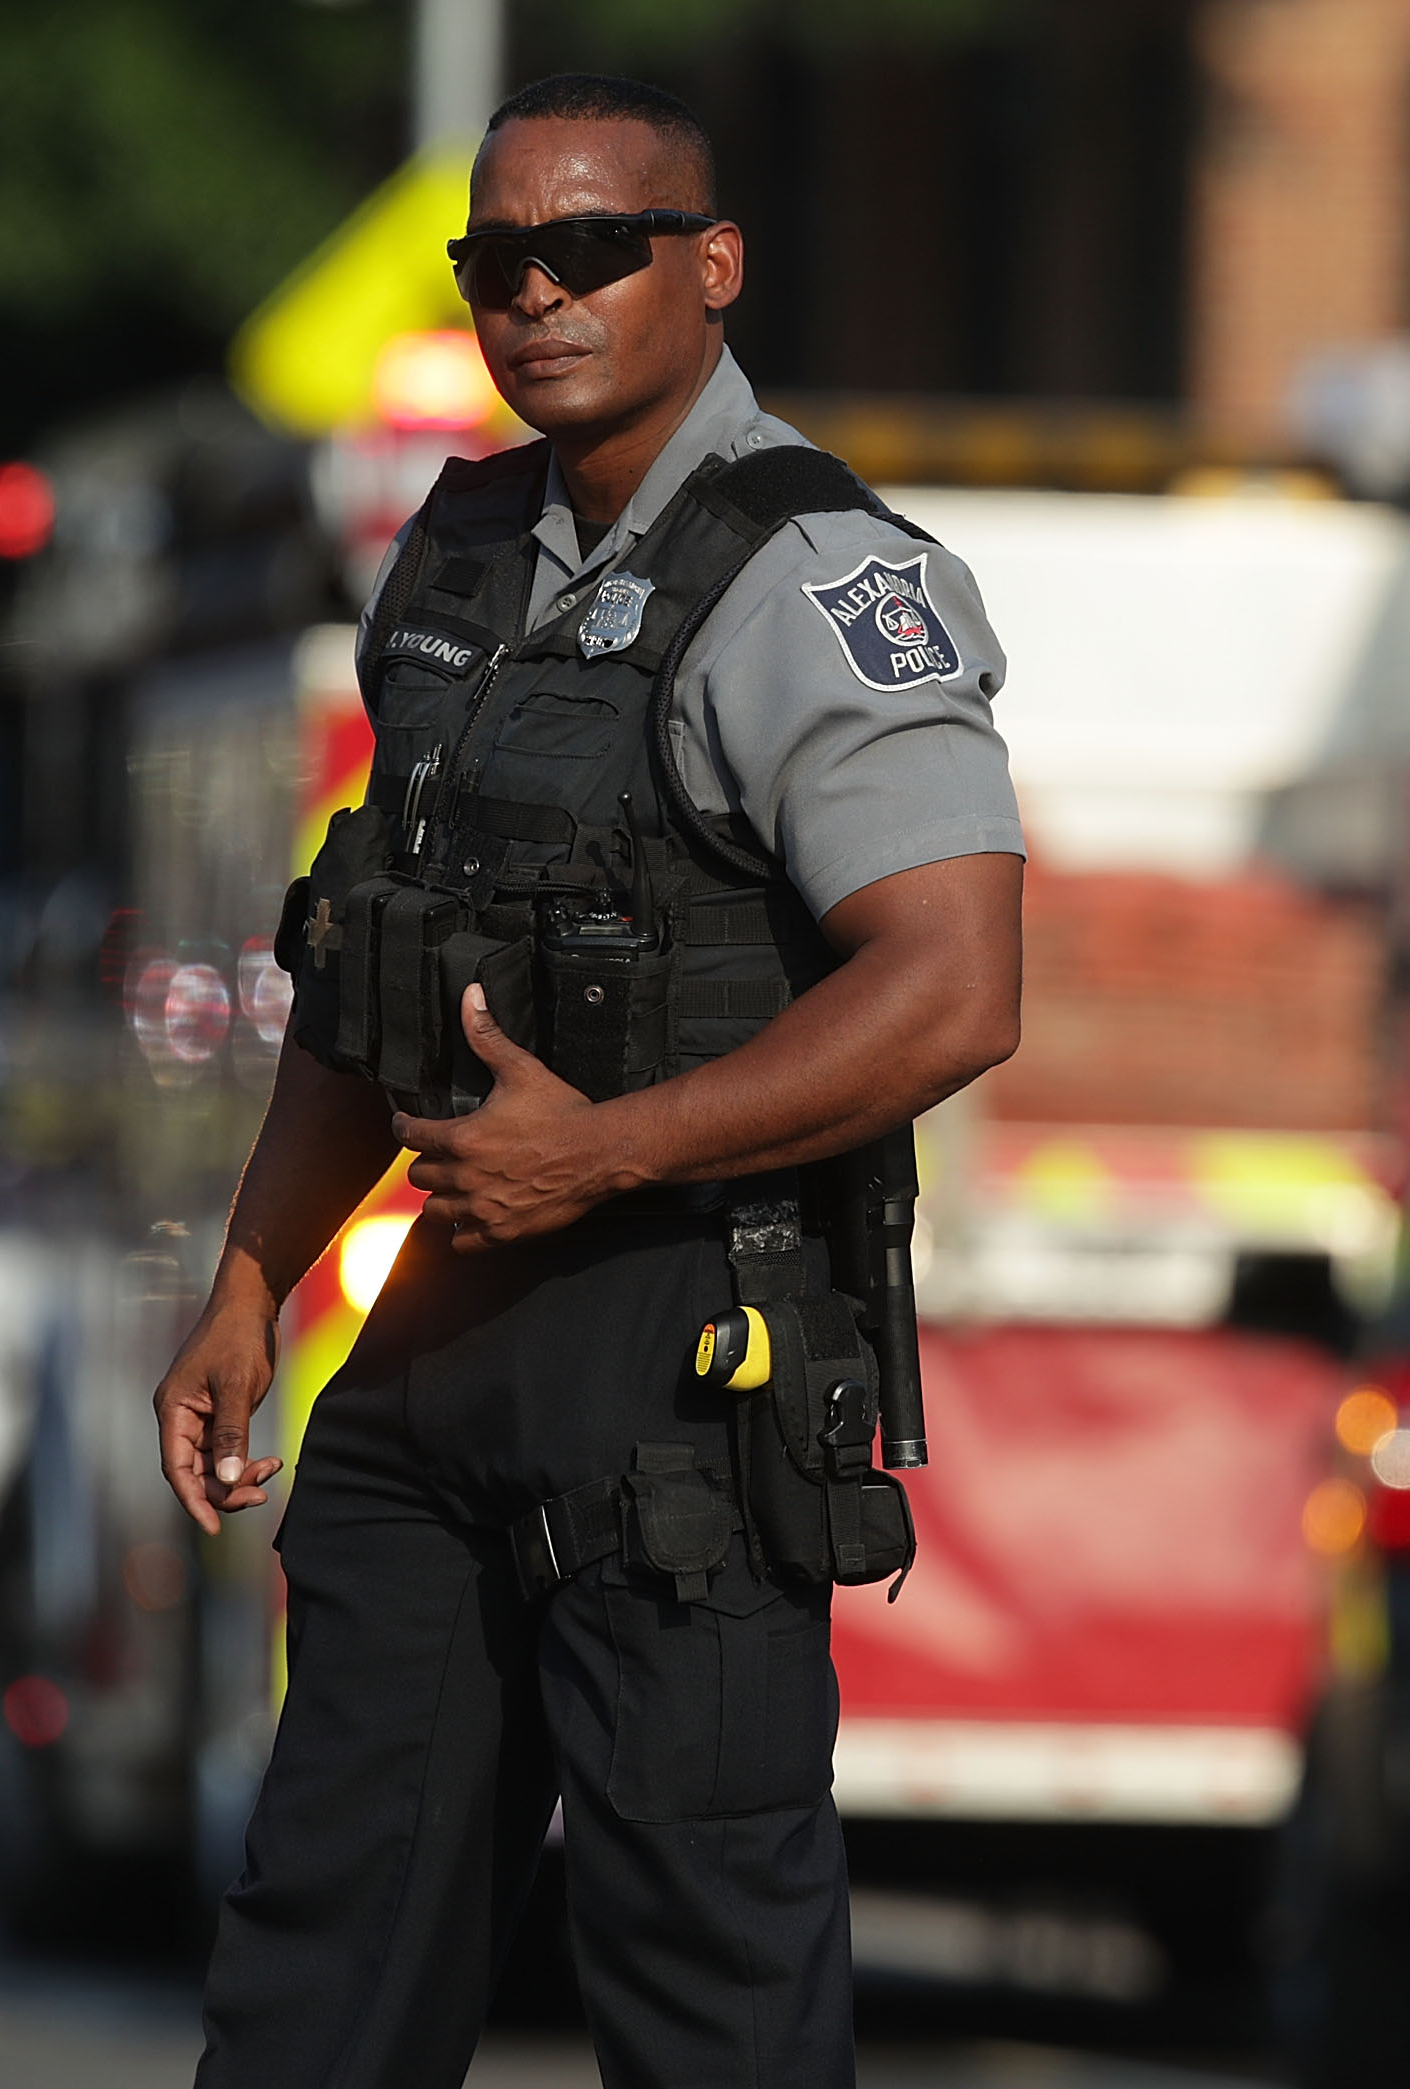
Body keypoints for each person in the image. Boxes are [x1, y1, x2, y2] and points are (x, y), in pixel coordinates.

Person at [155, 73, 1024, 2087]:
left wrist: (601, 1152)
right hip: (443, 1352)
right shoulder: (459, 552)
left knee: (705, 2001)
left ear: (710, 268)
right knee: (316, 1975)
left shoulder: (814, 580)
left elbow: (957, 988)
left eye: (590, 248)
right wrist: (251, 1275)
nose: (535, 292)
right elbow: (372, 957)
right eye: (495, 259)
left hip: (685, 1383)